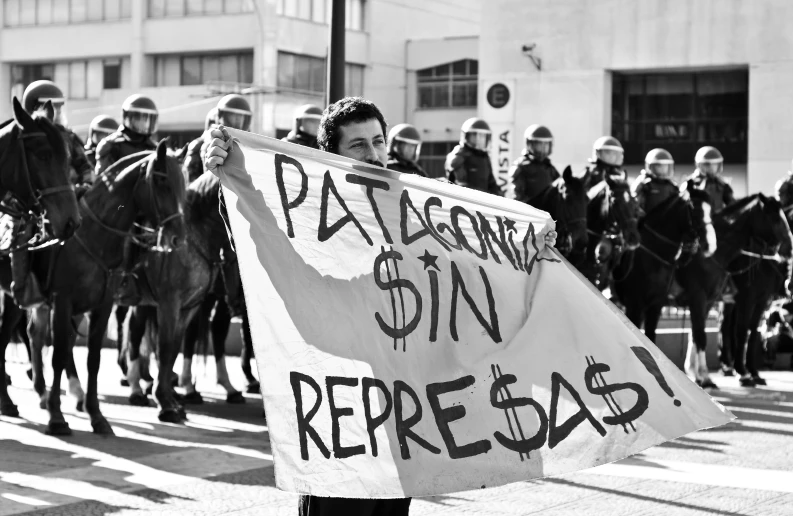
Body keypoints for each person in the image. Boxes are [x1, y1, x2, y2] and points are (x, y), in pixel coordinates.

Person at [204, 96, 556, 516]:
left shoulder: (409, 198)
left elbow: (469, 240)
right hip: (343, 410)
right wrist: (230, 171)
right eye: (358, 145)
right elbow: (263, 226)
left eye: (378, 141)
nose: (373, 154)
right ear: (328, 155)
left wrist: (523, 241)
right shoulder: (309, 204)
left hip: (399, 416)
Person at [184, 96, 251, 183]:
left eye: (241, 115)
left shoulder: (247, 145)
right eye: (233, 114)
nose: (238, 119)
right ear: (222, 116)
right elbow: (191, 186)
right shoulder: (198, 145)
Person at [445, 117, 502, 195]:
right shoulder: (459, 155)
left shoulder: (484, 156)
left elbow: (491, 183)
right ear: (466, 136)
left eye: (483, 136)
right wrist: (485, 196)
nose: (479, 140)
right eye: (475, 136)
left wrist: (500, 197)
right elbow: (461, 186)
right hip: (465, 202)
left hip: (484, 202)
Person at [510, 124, 559, 203]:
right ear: (530, 144)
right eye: (540, 144)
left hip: (549, 214)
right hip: (530, 213)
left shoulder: (549, 166)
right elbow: (517, 199)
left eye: (546, 144)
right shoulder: (520, 167)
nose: (544, 147)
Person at [683, 146, 735, 213]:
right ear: (700, 165)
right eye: (708, 164)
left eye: (715, 164)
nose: (712, 167)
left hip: (717, 221)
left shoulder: (721, 184)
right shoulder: (690, 184)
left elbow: (732, 205)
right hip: (698, 221)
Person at [631, 148, 679, 216]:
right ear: (650, 167)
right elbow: (632, 203)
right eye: (659, 166)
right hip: (647, 221)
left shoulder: (672, 186)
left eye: (665, 166)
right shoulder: (644, 184)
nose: (663, 169)